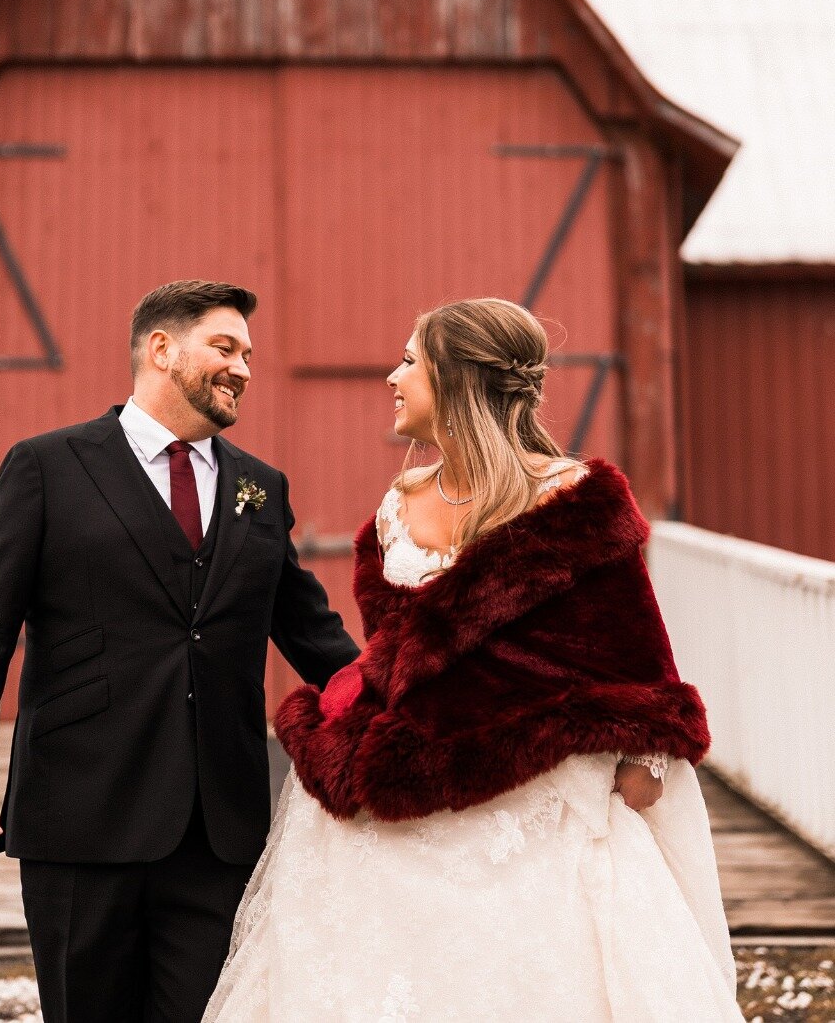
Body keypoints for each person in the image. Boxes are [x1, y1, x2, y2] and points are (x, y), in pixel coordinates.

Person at [205, 297, 744, 1022]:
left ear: (456, 379)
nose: (392, 377)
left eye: (410, 361)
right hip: (392, 821)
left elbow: (635, 656)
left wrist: (647, 759)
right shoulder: (399, 505)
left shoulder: (576, 500)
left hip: (532, 823)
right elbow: (399, 667)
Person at [0, 279, 359, 1023]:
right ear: (161, 349)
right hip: (80, 811)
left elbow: (312, 632)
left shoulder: (259, 486)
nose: (245, 369)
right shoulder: (47, 467)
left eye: (249, 354)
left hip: (218, 824)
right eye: (225, 348)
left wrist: (409, 711)